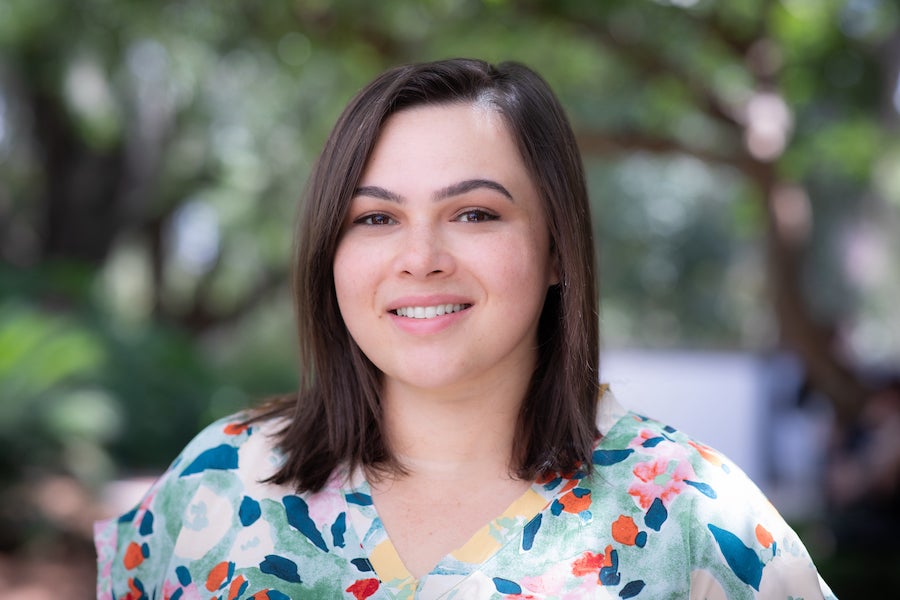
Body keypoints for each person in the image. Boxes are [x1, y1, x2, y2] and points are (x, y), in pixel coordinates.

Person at [95, 58, 837, 599]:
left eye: (475, 213)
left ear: (557, 249)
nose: (420, 259)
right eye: (376, 218)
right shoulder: (214, 486)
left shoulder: (694, 516)